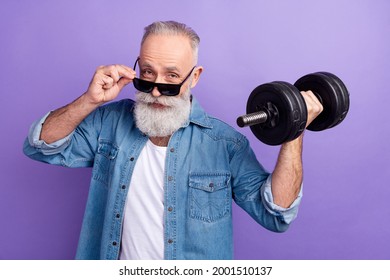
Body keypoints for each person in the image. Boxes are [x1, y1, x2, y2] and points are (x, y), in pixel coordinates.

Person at [23, 20, 323, 260]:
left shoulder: (225, 144)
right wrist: (89, 100)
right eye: (147, 73)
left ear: (194, 77)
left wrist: (295, 129)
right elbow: (41, 146)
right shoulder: (109, 122)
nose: (155, 90)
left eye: (171, 78)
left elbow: (277, 213)